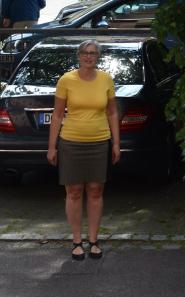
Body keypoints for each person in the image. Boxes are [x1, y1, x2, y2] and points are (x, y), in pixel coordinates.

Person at [46, 40, 119, 261]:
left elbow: (112, 113)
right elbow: (57, 115)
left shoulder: (106, 80)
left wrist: (116, 143)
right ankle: (77, 241)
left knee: (96, 190)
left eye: (93, 53)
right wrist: (52, 147)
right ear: (78, 55)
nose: (89, 56)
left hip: (99, 142)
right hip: (71, 142)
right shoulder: (66, 80)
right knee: (74, 191)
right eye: (85, 53)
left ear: (98, 56)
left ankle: (94, 240)